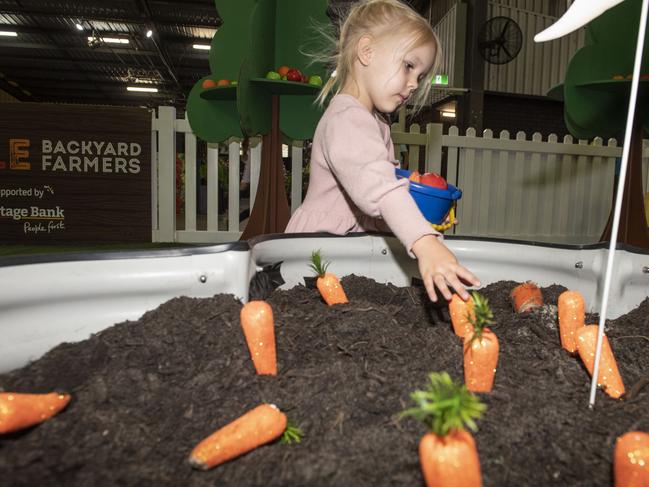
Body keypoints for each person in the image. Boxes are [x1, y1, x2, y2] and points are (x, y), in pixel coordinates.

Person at [285, 0, 479, 302]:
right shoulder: (347, 119)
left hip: (347, 250)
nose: (414, 84)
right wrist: (424, 241)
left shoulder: (375, 122)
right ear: (367, 51)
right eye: (409, 66)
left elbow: (377, 190)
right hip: (318, 254)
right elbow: (381, 190)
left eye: (420, 76)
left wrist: (414, 211)